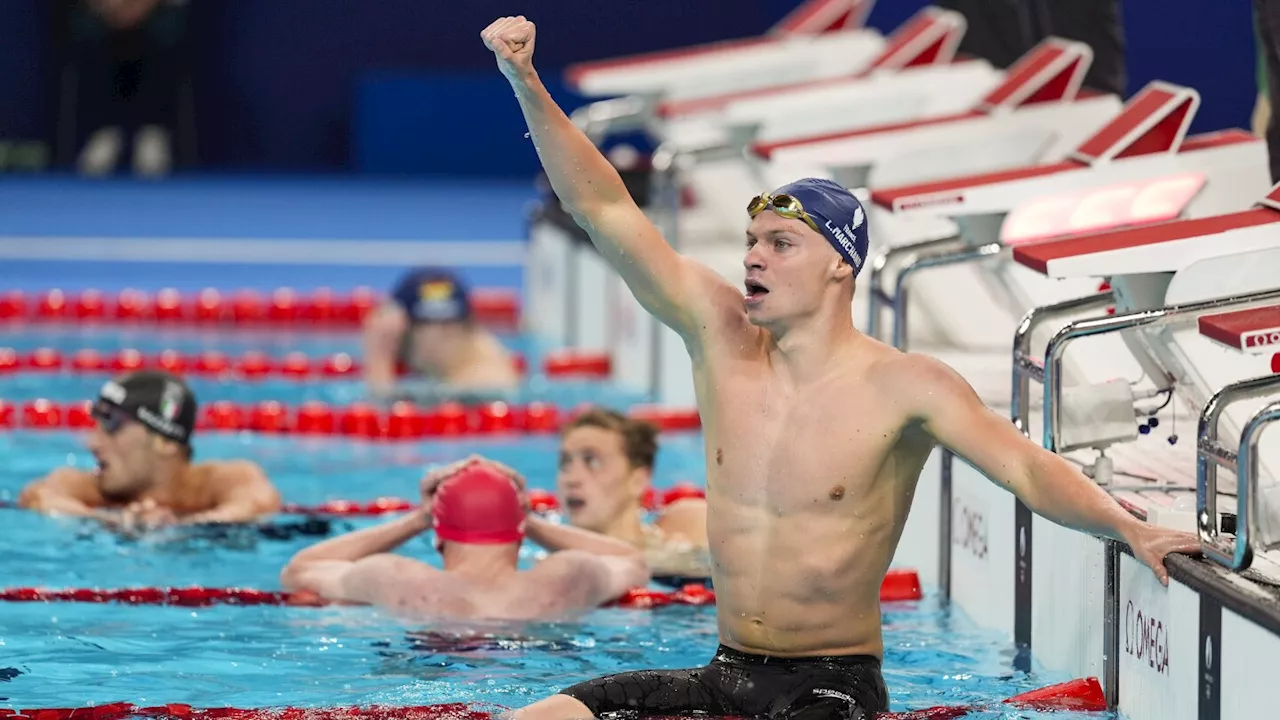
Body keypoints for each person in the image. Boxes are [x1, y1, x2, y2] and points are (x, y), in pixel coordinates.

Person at [480, 15, 1203, 719]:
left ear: (839, 267)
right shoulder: (719, 334)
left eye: (781, 244)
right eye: (752, 241)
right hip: (725, 671)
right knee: (550, 714)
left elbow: (1025, 469)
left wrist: (1128, 527)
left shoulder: (903, 387)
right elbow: (602, 207)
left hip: (832, 689)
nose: (754, 256)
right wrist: (525, 80)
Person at [280, 456, 649, 621]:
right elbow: (634, 562)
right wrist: (531, 519)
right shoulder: (571, 573)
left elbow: (300, 569)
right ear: (519, 536)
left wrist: (416, 519)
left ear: (438, 537)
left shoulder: (395, 577)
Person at [18, 370, 281, 528]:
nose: (92, 442)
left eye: (112, 425)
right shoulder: (91, 489)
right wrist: (112, 523)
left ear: (165, 441)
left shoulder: (219, 483)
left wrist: (177, 529)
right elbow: (39, 495)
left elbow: (257, 504)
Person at [557, 407, 710, 586]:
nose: (571, 478)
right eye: (565, 463)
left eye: (593, 461)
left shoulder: (687, 526)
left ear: (638, 480)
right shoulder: (556, 566)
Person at [361, 267, 521, 402]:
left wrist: (379, 362)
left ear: (442, 329)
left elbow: (385, 425)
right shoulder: (479, 351)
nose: (400, 349)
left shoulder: (483, 387)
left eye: (404, 337)